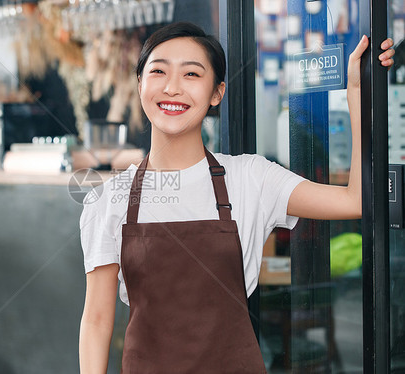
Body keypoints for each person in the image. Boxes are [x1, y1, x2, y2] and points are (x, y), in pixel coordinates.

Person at [78, 22, 395, 373]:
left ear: (217, 93)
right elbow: (96, 320)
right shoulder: (108, 200)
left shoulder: (250, 178)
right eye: (158, 71)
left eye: (192, 74)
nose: (172, 88)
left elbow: (354, 201)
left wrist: (356, 92)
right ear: (140, 85)